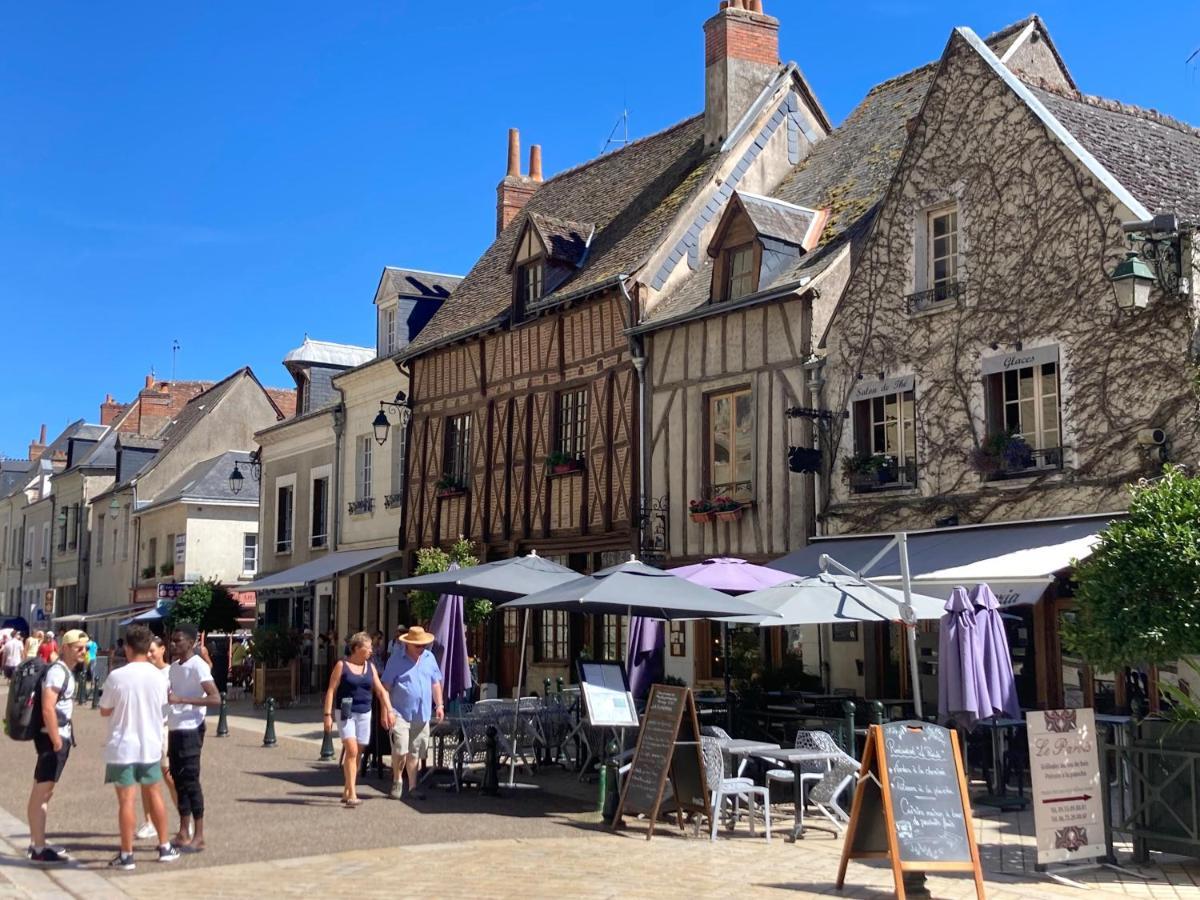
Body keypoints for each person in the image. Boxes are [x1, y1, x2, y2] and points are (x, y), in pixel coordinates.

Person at [99, 624, 180, 870]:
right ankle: (165, 846)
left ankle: (127, 854)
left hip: (122, 745)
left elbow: (105, 710)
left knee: (126, 801)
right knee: (155, 794)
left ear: (127, 647)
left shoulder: (117, 676)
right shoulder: (160, 677)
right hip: (150, 744)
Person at [25, 629, 89, 864]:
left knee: (41, 792)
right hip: (53, 738)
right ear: (65, 647)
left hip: (53, 737)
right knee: (43, 793)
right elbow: (48, 707)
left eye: (84, 648)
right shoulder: (58, 672)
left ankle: (37, 843)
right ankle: (39, 849)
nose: (82, 652)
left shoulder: (63, 671)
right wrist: (56, 739)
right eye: (77, 648)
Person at [322, 632, 393, 807]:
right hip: (345, 709)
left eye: (371, 647)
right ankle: (353, 793)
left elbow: (381, 691)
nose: (371, 650)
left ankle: (347, 788)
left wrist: (388, 710)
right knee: (352, 750)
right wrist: (327, 715)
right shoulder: (342, 665)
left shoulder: (370, 667)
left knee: (358, 753)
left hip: (364, 712)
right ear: (356, 648)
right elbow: (331, 690)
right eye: (367, 647)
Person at [166, 623, 219, 851]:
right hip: (175, 727)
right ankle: (183, 830)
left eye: (178, 640)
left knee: (191, 780)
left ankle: (199, 834)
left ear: (191, 642)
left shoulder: (198, 666)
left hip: (191, 728)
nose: (174, 644)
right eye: (173, 640)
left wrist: (184, 701)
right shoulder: (174, 667)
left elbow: (215, 698)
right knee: (178, 780)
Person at [381, 626, 445, 801]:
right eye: (417, 645)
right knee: (400, 748)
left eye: (423, 644)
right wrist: (386, 711)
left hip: (422, 713)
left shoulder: (429, 658)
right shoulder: (396, 660)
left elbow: (435, 683)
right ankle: (397, 780)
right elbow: (385, 688)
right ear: (408, 644)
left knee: (414, 751)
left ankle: (413, 786)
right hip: (399, 712)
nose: (421, 647)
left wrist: (439, 705)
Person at [136, 636, 177, 841]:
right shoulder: (143, 672)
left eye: (153, 650)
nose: (150, 654)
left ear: (162, 650)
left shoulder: (170, 672)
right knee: (146, 776)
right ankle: (148, 821)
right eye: (147, 651)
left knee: (168, 774)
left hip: (164, 727)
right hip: (146, 728)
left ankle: (183, 816)